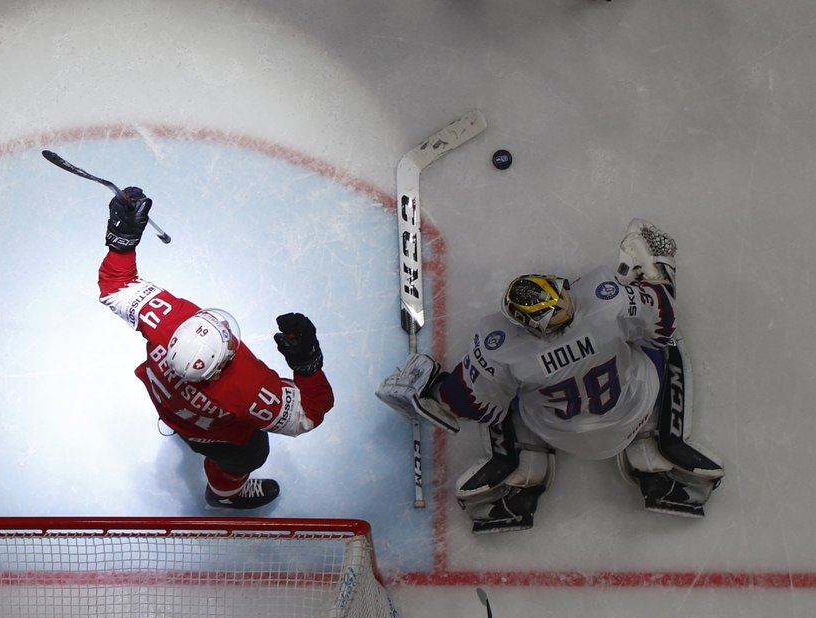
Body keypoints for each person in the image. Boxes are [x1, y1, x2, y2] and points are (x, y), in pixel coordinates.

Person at [377, 218, 724, 532]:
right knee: (666, 347)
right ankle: (660, 450)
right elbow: (663, 322)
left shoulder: (504, 347)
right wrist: (655, 275)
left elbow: (473, 405)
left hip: (560, 433)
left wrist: (435, 391)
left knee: (501, 390)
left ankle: (526, 471)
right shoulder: (608, 299)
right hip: (633, 409)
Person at [97, 186, 334, 510]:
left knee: (191, 429)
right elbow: (308, 413)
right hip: (219, 434)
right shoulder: (248, 389)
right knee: (251, 454)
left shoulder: (168, 324)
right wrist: (307, 363)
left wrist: (122, 240)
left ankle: (187, 436)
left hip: (173, 409)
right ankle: (225, 494)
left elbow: (116, 286)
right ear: (222, 363)